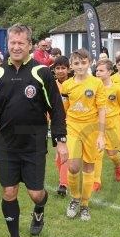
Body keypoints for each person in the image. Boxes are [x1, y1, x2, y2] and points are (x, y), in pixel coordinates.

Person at [0, 24, 67, 237]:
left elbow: (56, 109)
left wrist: (60, 140)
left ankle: (39, 209)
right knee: (9, 191)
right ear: (7, 44)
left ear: (29, 45)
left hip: (33, 143)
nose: (16, 47)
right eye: (12, 43)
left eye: (21, 43)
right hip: (5, 144)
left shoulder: (42, 73)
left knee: (36, 193)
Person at [60, 49, 106, 220]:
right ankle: (75, 198)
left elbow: (102, 109)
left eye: (83, 62)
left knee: (88, 166)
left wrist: (101, 135)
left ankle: (85, 205)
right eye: (76, 63)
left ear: (90, 63)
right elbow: (63, 109)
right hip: (72, 128)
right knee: (73, 166)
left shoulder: (97, 83)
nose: (80, 66)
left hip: (91, 129)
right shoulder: (67, 85)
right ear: (71, 66)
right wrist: (59, 132)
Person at [93, 58, 120, 190]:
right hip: (97, 124)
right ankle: (96, 181)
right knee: (97, 152)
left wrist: (118, 121)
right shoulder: (93, 87)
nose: (98, 73)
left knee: (113, 155)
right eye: (97, 70)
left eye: (101, 70)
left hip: (113, 124)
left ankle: (118, 166)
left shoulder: (117, 89)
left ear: (110, 72)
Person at [51, 55, 71, 196]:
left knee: (65, 151)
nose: (60, 71)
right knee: (58, 155)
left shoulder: (73, 84)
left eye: (63, 68)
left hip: (71, 123)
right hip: (55, 123)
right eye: (57, 68)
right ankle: (63, 179)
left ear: (68, 69)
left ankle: (63, 184)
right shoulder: (51, 85)